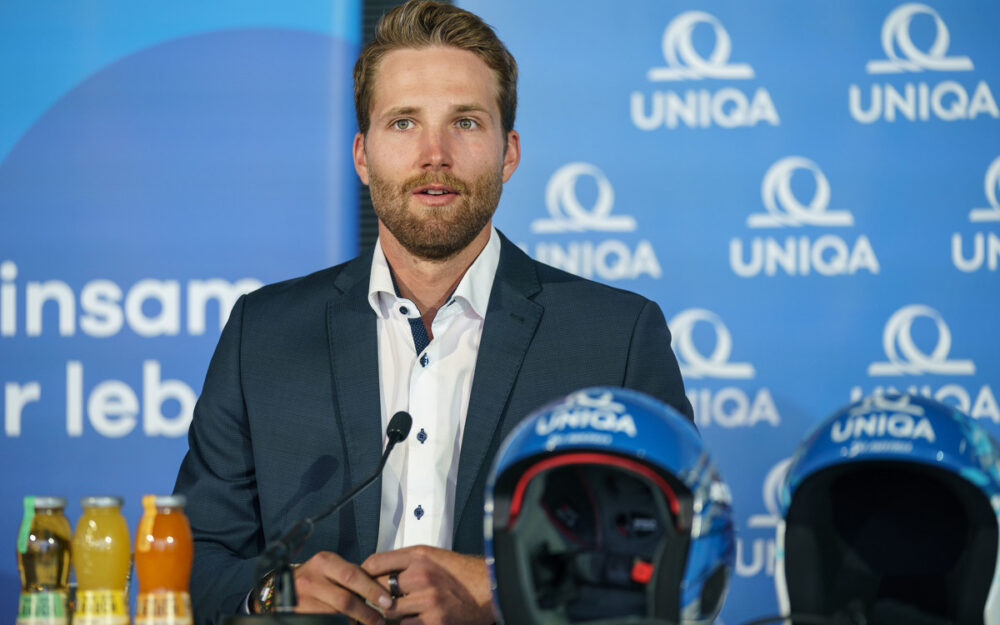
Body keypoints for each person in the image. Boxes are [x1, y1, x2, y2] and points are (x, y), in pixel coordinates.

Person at [173, 2, 692, 624]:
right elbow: (190, 561)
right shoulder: (265, 335)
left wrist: (502, 594)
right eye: (403, 123)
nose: (435, 154)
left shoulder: (615, 338)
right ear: (363, 156)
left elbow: (682, 569)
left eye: (466, 123)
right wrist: (271, 594)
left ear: (509, 153)